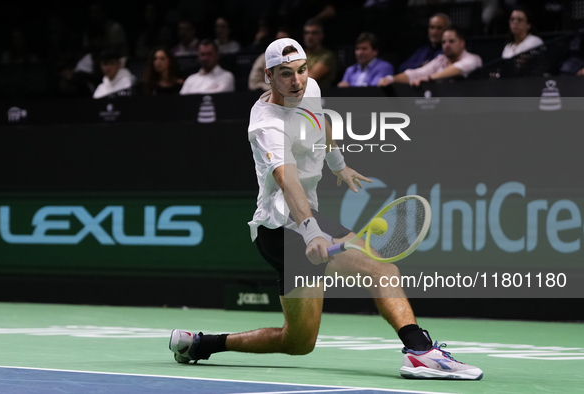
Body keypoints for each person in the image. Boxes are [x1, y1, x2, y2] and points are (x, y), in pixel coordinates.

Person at [169, 37, 484, 381]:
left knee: (298, 340)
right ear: (269, 78)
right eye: (286, 74)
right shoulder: (267, 125)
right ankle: (421, 352)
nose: (298, 81)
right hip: (282, 227)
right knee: (382, 269)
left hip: (299, 224)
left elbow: (321, 123)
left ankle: (200, 345)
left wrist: (339, 165)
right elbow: (288, 180)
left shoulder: (310, 89)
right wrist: (311, 231)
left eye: (302, 70)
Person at [378, 27, 482, 87]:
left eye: (451, 41)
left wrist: (429, 78)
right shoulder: (440, 59)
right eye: (443, 42)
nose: (446, 45)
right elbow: (416, 73)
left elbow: (457, 69)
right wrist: (391, 79)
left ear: (462, 43)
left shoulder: (473, 59)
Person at [302, 19, 337, 89]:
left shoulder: (327, 56)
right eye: (306, 33)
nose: (309, 36)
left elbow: (310, 77)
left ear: (321, 35)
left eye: (314, 33)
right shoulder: (300, 54)